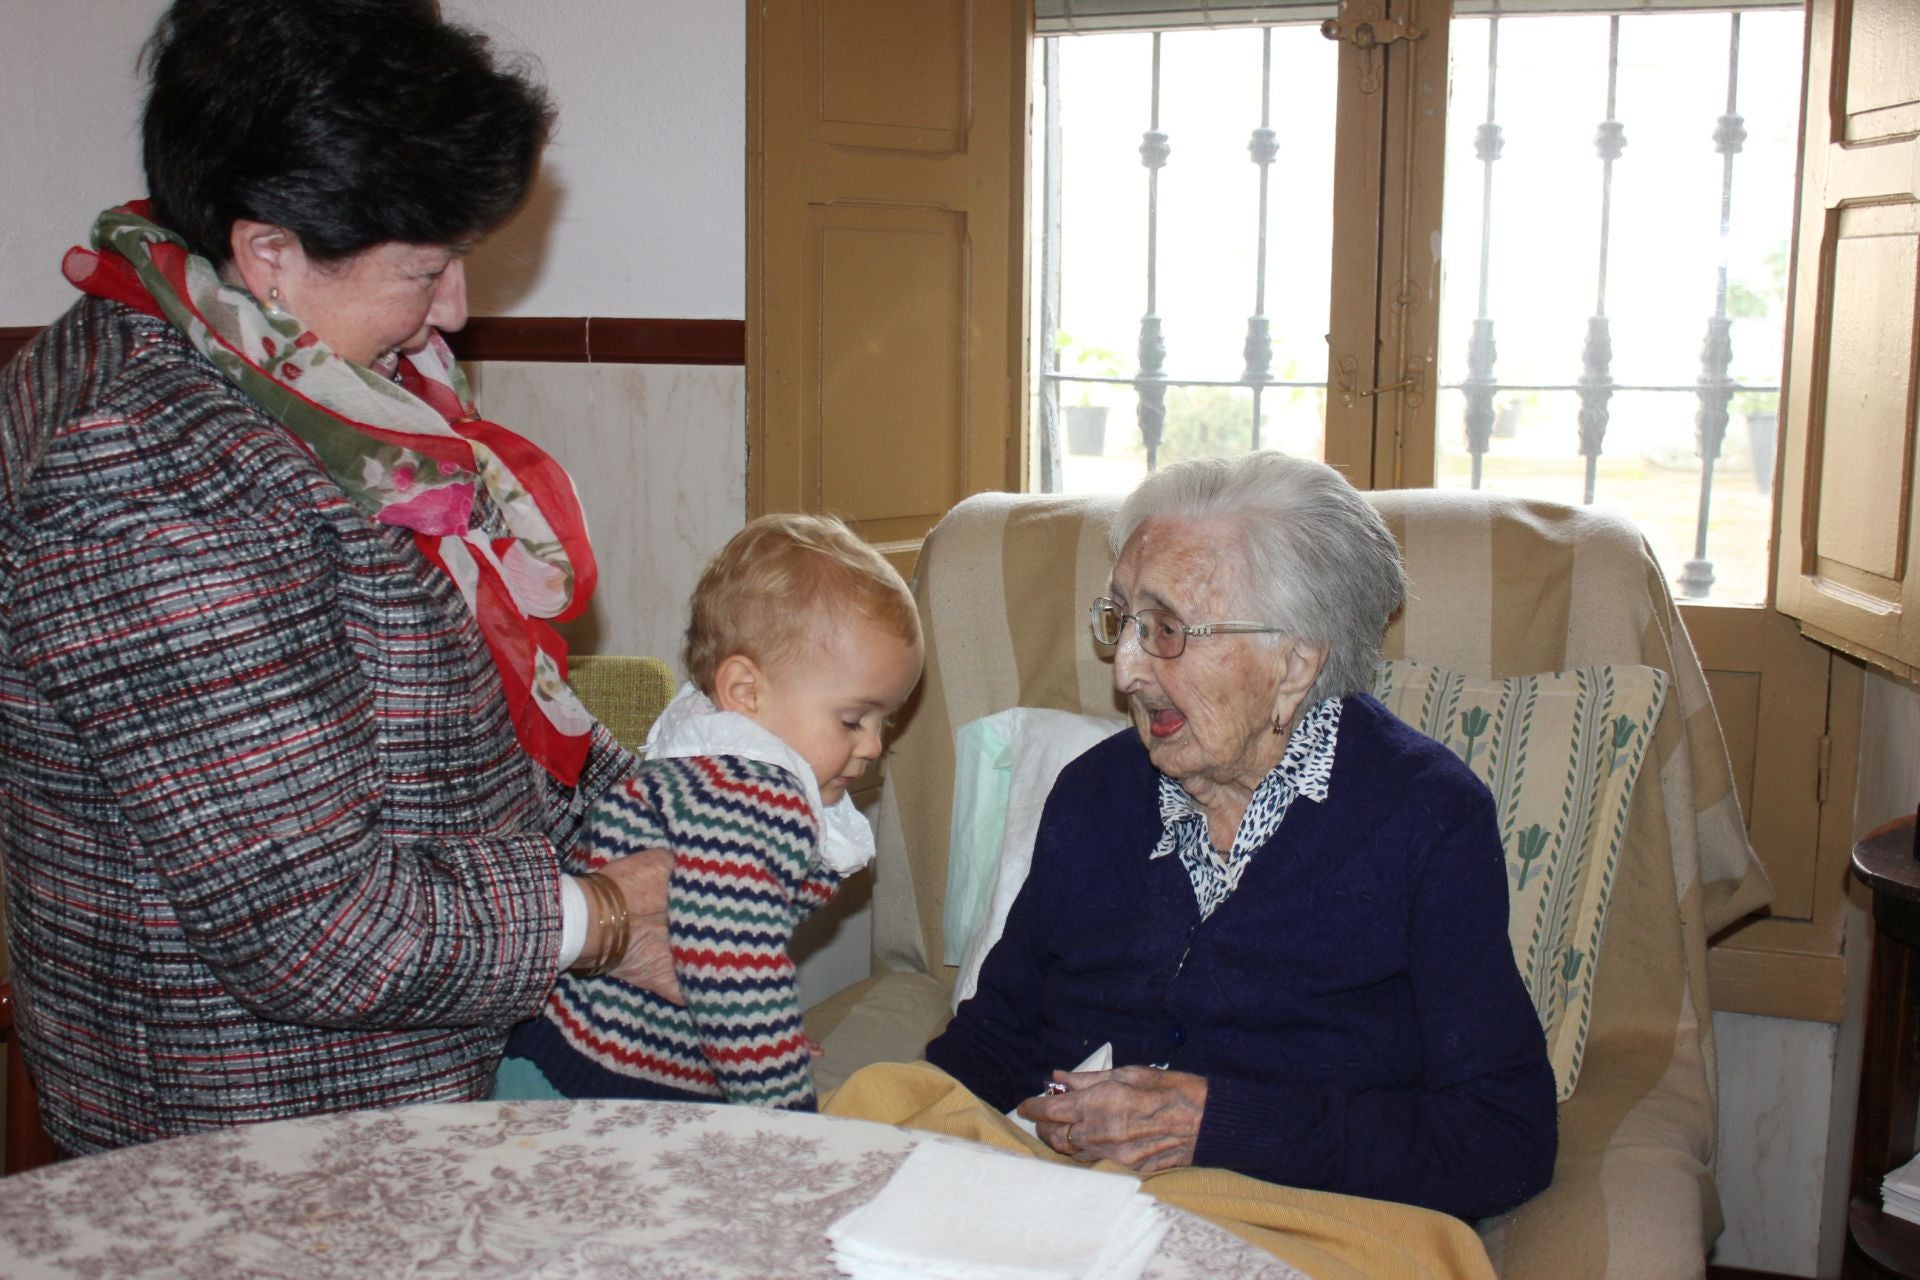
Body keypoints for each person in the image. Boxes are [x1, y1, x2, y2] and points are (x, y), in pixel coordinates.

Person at [0, 0, 677, 1156]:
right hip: (256, 1135)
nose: (455, 308)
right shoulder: (142, 472)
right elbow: (316, 927)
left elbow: (454, 698)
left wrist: (680, 802)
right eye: (425, 269)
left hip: (401, 1080)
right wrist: (609, 916)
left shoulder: (299, 372)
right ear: (269, 249)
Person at [923, 451, 1557, 1221]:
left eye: (1166, 629)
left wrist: (1219, 1128)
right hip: (1058, 1202)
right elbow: (992, 1044)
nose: (1125, 669)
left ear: (1295, 662)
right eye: (1122, 620)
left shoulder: (1424, 820)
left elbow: (1503, 1136)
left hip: (1285, 1218)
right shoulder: (1097, 794)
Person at [498, 514, 924, 1110]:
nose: (874, 745)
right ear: (747, 692)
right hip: (600, 1086)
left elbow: (708, 950)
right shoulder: (756, 793)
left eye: (886, 722)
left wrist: (766, 1036)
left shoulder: (706, 765)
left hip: (566, 1057)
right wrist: (783, 1106)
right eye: (853, 720)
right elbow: (731, 968)